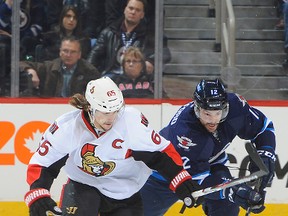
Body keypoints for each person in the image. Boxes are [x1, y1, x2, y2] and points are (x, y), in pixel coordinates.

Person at [24, 76, 201, 216]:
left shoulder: (131, 122)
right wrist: (38, 192)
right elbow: (43, 163)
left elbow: (160, 155)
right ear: (90, 108)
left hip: (126, 190)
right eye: (105, 112)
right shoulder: (67, 127)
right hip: (83, 185)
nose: (111, 118)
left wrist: (181, 181)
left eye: (115, 110)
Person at [140, 79, 276, 216]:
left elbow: (264, 127)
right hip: (165, 174)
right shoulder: (185, 132)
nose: (213, 121)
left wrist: (266, 153)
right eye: (207, 114)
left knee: (226, 208)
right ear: (197, 108)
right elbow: (194, 181)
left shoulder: (235, 106)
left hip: (211, 162)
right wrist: (233, 191)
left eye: (218, 113)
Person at [87, 0, 171, 79]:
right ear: (125, 10)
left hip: (137, 79)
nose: (133, 12)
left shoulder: (150, 34)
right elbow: (93, 56)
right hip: (112, 76)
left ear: (142, 15)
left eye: (137, 10)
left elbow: (165, 53)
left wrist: (151, 61)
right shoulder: (108, 33)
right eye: (131, 8)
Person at [20, 36, 100, 97]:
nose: (68, 55)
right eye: (65, 51)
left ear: (79, 55)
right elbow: (18, 64)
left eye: (73, 52)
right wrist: (30, 70)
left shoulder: (90, 72)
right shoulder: (49, 67)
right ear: (60, 52)